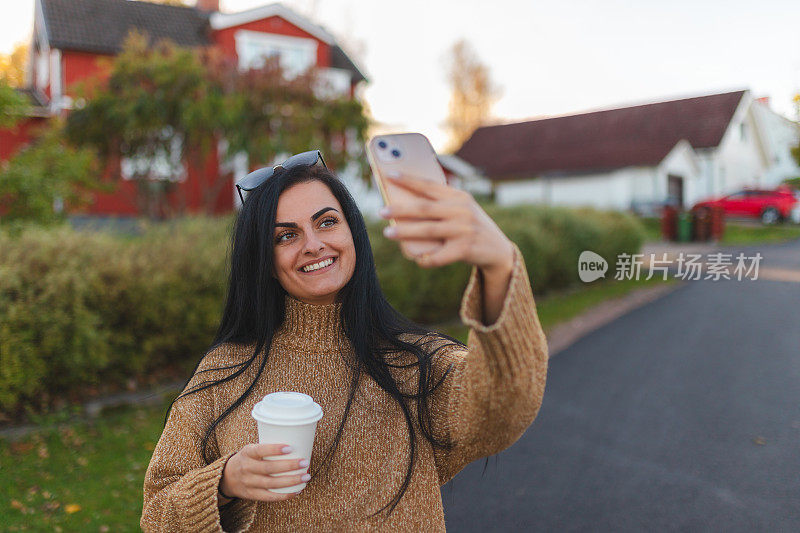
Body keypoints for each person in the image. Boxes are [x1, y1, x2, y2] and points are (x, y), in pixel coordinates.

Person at [140, 154, 549, 532]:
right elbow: (157, 513)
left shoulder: (415, 362)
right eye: (286, 236)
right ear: (263, 259)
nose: (314, 244)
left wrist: (499, 266)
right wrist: (225, 483)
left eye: (327, 222)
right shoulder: (227, 369)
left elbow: (505, 405)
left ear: (353, 230)